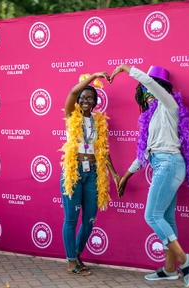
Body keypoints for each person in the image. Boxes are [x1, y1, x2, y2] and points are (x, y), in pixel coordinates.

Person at [111, 65, 189, 287]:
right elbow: (143, 153)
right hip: (165, 165)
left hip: (168, 164)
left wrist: (127, 69)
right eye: (144, 91)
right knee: (166, 219)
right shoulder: (151, 117)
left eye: (150, 89)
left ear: (160, 89)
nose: (147, 93)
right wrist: (125, 177)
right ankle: (170, 270)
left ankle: (183, 259)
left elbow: (151, 84)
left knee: (151, 216)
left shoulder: (169, 104)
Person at [60, 72, 120, 276]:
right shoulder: (71, 115)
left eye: (90, 97)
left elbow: (103, 150)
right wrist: (94, 76)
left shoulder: (98, 121)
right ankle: (70, 263)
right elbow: (72, 91)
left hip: (93, 171)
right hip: (74, 170)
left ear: (95, 101)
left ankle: (76, 255)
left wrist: (113, 174)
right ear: (78, 100)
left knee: (89, 219)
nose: (86, 100)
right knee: (71, 218)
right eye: (83, 97)